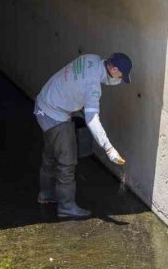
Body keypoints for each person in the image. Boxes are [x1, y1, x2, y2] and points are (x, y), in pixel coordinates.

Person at [34, 52, 132, 219]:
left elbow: (76, 82)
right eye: (121, 76)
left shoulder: (91, 58)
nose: (120, 80)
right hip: (54, 115)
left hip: (43, 104)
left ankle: (46, 194)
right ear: (114, 69)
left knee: (51, 154)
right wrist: (108, 148)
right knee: (67, 162)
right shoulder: (93, 87)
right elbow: (92, 119)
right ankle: (66, 207)